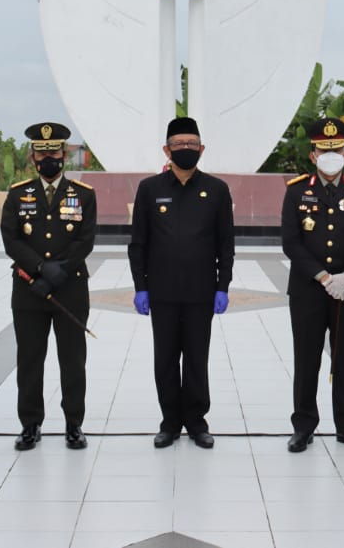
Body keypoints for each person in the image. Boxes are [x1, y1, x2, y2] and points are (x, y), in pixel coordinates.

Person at [129, 117, 234, 449]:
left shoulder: (217, 190)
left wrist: (223, 286)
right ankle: (170, 422)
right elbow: (138, 243)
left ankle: (197, 422)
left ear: (202, 149)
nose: (186, 150)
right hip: (161, 292)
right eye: (179, 145)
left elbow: (225, 244)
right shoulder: (150, 189)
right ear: (166, 149)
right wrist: (140, 286)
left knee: (196, 358)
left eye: (192, 145)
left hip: (202, 291)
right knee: (165, 358)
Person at [280, 117, 344, 453]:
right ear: (313, 155)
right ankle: (303, 426)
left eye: (336, 149)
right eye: (324, 149)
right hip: (308, 289)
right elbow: (291, 243)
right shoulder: (296, 191)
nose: (331, 154)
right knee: (307, 358)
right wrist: (322, 277)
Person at [1, 122, 98, 451]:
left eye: (54, 152)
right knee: (30, 359)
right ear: (32, 156)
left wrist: (60, 271)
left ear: (65, 154)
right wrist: (40, 268)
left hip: (70, 289)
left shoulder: (83, 195)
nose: (48, 158)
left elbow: (85, 240)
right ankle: (30, 424)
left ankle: (74, 424)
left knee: (72, 360)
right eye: (41, 153)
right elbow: (10, 238)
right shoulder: (18, 194)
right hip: (29, 291)